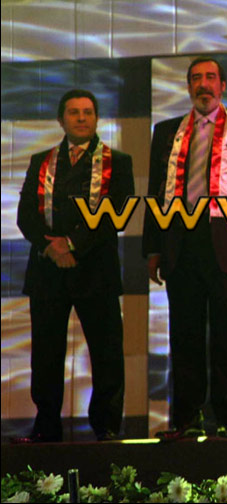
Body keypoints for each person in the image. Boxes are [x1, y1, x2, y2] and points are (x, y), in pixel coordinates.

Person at [143, 57, 227, 439]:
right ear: (188, 87)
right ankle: (187, 418)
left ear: (223, 85)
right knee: (185, 335)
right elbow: (154, 193)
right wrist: (153, 248)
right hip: (181, 244)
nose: (203, 84)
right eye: (196, 78)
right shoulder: (167, 132)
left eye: (210, 77)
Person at [15, 89, 134, 442]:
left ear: (96, 119)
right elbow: (26, 215)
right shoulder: (41, 161)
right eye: (73, 112)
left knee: (106, 354)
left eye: (87, 112)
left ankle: (106, 427)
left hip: (96, 270)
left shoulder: (118, 162)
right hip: (48, 270)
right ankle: (46, 427)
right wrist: (51, 247)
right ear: (61, 120)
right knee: (46, 354)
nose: (81, 118)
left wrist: (71, 244)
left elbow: (116, 216)